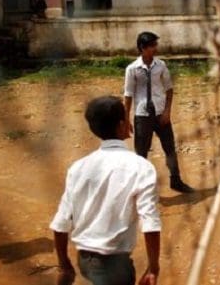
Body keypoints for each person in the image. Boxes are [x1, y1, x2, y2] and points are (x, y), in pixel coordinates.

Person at [50, 96, 161, 285]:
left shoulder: (78, 167)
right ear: (121, 125)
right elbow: (149, 222)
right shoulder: (140, 167)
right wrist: (153, 267)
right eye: (126, 117)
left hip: (84, 261)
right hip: (115, 266)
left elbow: (61, 222)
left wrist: (64, 264)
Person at [124, 32, 194, 193]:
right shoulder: (132, 69)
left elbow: (169, 89)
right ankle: (139, 187)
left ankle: (176, 180)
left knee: (169, 148)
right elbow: (128, 95)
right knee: (141, 153)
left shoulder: (161, 66)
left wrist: (167, 112)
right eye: (152, 46)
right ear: (142, 48)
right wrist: (126, 118)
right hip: (142, 115)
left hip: (161, 113)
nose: (155, 49)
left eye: (156, 45)